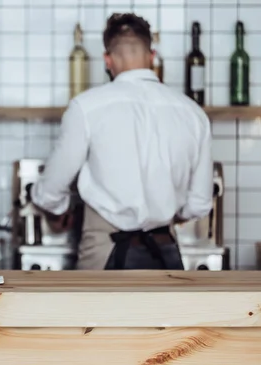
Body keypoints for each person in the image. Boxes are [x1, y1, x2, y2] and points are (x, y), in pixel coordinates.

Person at [29, 13, 213, 270]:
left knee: (98, 313)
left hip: (104, 251)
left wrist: (59, 210)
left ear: (107, 59)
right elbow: (200, 203)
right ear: (152, 55)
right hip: (165, 253)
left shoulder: (87, 107)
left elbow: (50, 191)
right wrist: (167, 213)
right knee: (168, 313)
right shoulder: (194, 114)